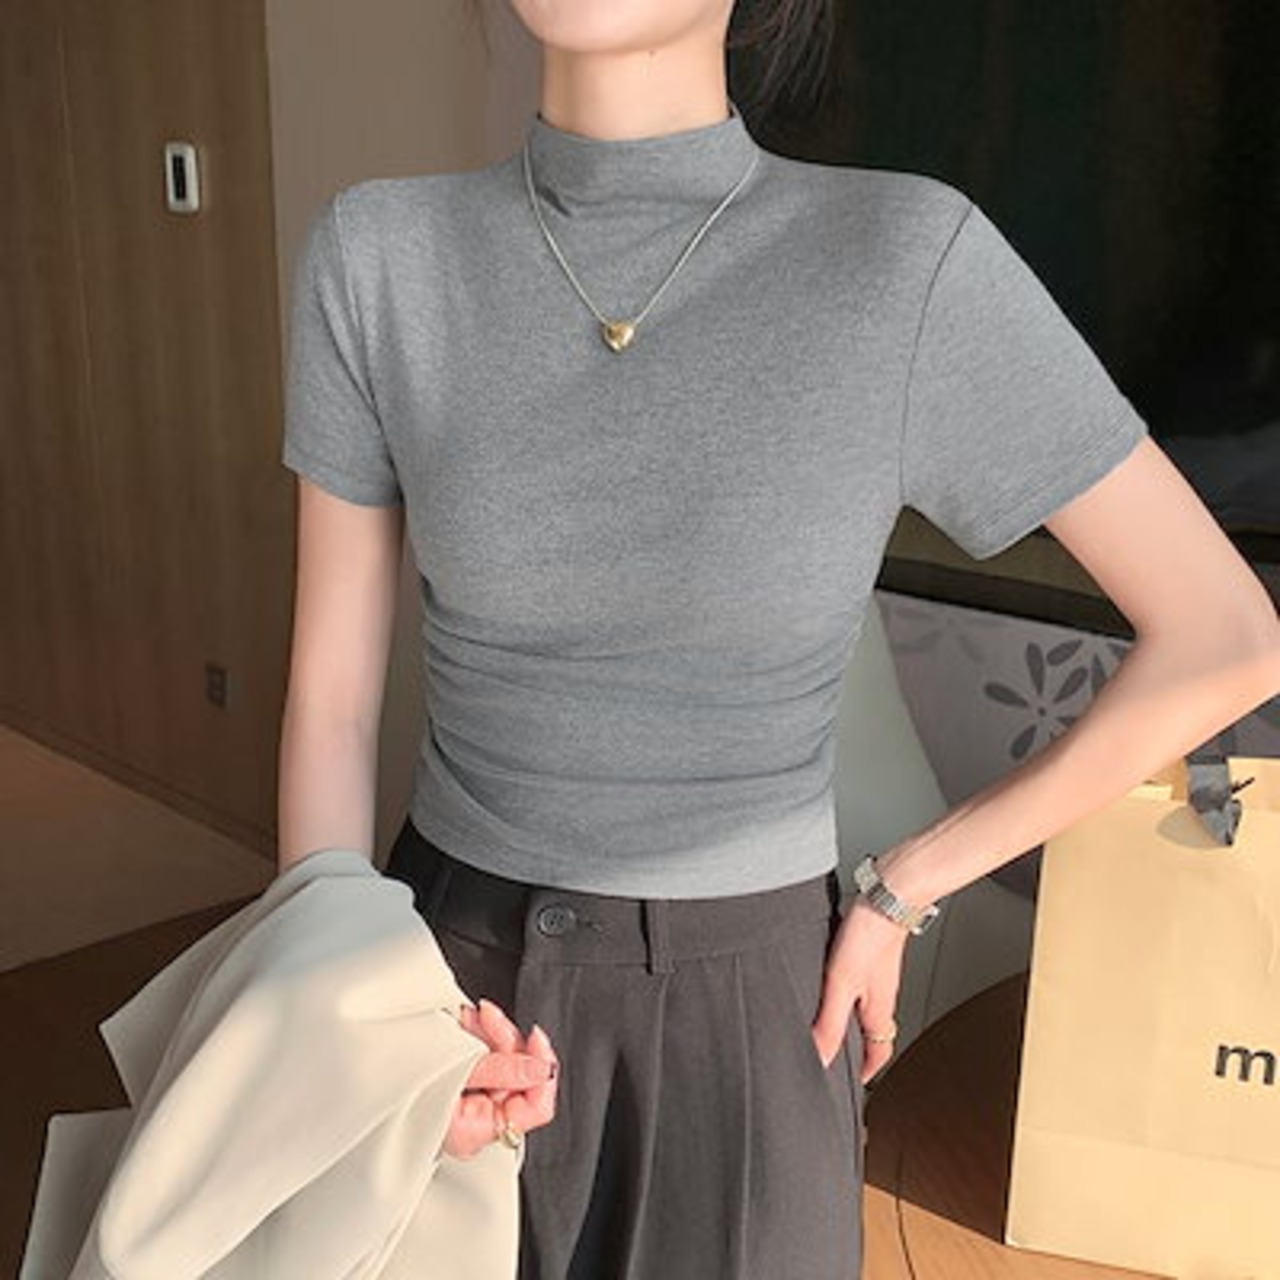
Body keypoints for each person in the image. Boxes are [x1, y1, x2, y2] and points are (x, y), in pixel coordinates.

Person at [275, 1, 1280, 1276]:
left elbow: (1221, 633)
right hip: (438, 977)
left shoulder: (900, 257)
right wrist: (340, 1011)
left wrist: (909, 880)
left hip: (747, 1014)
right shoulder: (377, 252)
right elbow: (331, 706)